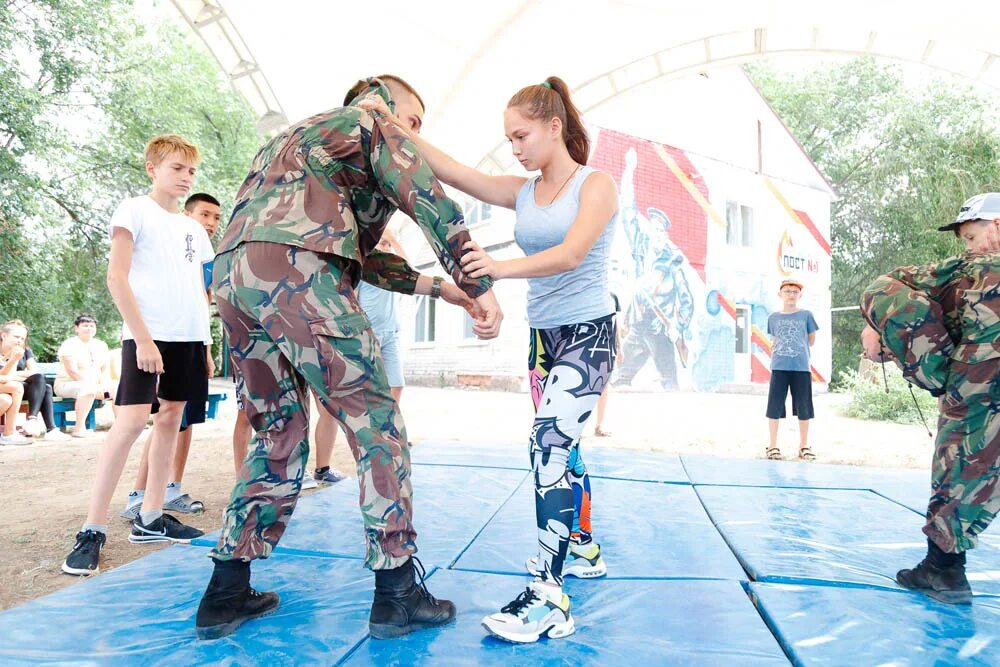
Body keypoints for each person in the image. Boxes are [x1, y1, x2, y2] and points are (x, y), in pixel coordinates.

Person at [194, 74, 503, 642]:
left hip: (234, 278)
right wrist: (476, 281)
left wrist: (442, 291)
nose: (412, 133)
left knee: (278, 433)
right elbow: (429, 200)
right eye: (412, 118)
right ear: (383, 99)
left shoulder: (296, 141)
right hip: (299, 272)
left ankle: (226, 591)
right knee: (377, 425)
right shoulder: (370, 122)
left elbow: (363, 257)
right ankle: (397, 592)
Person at [362, 75, 618, 643]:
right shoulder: (522, 191)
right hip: (544, 341)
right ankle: (582, 546)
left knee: (547, 443)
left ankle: (551, 595)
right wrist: (393, 126)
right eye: (509, 139)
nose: (516, 148)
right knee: (564, 449)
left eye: (522, 135)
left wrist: (497, 269)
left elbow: (572, 254)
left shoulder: (596, 185)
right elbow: (453, 172)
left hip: (590, 335)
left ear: (555, 127)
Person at [61, 134, 213, 576]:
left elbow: (198, 290)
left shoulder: (193, 229)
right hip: (147, 336)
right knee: (128, 425)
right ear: (153, 168)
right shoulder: (133, 210)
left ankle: (150, 517)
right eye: (177, 169)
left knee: (171, 418)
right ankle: (92, 528)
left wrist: (203, 344)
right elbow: (116, 277)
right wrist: (143, 339)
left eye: (191, 171)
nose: (185, 177)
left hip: (187, 338)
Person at [860, 192, 1000, 605]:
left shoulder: (971, 270)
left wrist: (878, 326)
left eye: (973, 235)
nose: (969, 247)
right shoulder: (971, 280)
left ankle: (943, 569)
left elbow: (885, 288)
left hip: (979, 383)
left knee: (961, 460)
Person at [119, 193, 220, 519]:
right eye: (205, 215)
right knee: (163, 419)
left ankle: (171, 486)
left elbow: (201, 304)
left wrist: (206, 349)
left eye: (217, 217)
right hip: (160, 339)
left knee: (184, 421)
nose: (211, 223)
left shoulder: (203, 259)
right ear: (187, 215)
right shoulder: (161, 234)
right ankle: (140, 493)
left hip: (193, 341)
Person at [764, 278, 818, 461]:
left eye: (795, 292)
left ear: (800, 295)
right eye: (787, 291)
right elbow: (774, 339)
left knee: (804, 408)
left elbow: (811, 340)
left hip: (801, 367)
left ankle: (803, 446)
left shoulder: (807, 315)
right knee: (774, 406)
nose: (791, 295)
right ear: (780, 294)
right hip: (779, 367)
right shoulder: (773, 317)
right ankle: (772, 446)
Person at [0, 320, 70, 442]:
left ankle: (38, 423)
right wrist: (14, 365)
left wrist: (11, 375)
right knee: (44, 388)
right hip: (7, 387)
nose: (19, 341)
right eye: (16, 337)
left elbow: (33, 372)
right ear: (4, 335)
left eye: (22, 338)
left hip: (16, 386)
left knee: (41, 382)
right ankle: (47, 427)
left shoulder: (24, 351)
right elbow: (3, 377)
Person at [53, 314, 118, 438]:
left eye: (92, 326)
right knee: (88, 389)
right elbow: (72, 371)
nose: (89, 328)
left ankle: (119, 427)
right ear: (76, 328)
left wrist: (105, 384)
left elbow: (104, 370)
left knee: (118, 389)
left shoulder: (101, 345)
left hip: (94, 387)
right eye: (85, 325)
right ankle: (79, 428)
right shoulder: (69, 344)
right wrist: (91, 384)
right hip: (67, 385)